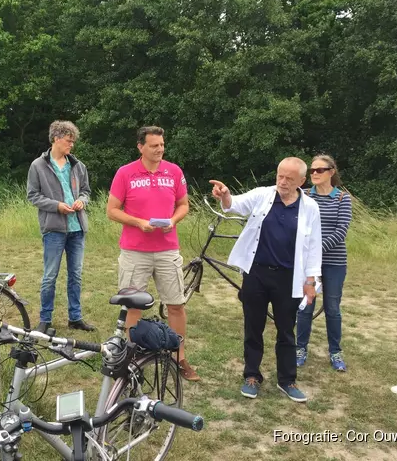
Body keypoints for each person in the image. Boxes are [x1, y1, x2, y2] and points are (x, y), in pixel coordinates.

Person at [209, 157, 322, 402]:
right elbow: (235, 205)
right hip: (257, 273)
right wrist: (226, 195)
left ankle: (287, 380)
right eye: (280, 176)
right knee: (253, 326)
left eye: (289, 179)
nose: (282, 182)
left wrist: (311, 281)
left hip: (289, 277)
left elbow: (314, 247)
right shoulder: (263, 195)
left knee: (286, 330)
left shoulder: (310, 207)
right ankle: (252, 375)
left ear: (302, 181)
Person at [106, 126, 200, 382]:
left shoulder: (174, 171)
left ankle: (179, 357)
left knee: (176, 305)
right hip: (135, 251)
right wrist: (138, 222)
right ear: (141, 147)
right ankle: (132, 355)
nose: (159, 149)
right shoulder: (125, 173)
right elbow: (112, 210)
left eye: (162, 144)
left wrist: (173, 220)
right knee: (132, 306)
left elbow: (183, 205)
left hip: (168, 249)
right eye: (154, 145)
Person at [27, 121, 96, 333]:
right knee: (50, 276)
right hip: (54, 229)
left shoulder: (78, 165)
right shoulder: (38, 166)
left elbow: (86, 191)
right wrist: (56, 206)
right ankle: (45, 319)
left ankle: (75, 317)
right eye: (68, 141)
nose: (71, 145)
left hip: (77, 229)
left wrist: (82, 201)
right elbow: (33, 196)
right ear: (56, 138)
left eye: (73, 141)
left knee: (75, 275)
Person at [296, 154, 352, 372]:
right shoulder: (305, 196)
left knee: (332, 308)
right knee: (305, 307)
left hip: (334, 262)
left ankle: (335, 352)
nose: (315, 174)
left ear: (331, 172)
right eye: (312, 170)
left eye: (320, 170)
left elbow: (341, 231)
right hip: (307, 264)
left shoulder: (342, 198)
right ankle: (300, 349)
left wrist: (315, 251)